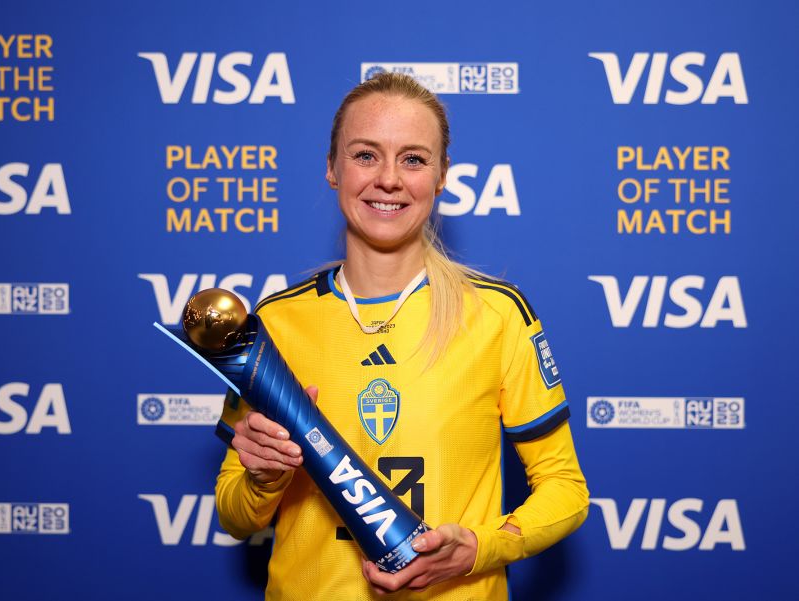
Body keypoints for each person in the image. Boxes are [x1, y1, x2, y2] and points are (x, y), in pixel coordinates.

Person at [214, 72, 589, 600]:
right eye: (366, 155)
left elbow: (566, 489)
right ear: (331, 168)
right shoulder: (274, 324)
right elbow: (234, 513)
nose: (388, 179)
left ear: (441, 176)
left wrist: (482, 547)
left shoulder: (496, 314)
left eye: (413, 159)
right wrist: (262, 479)